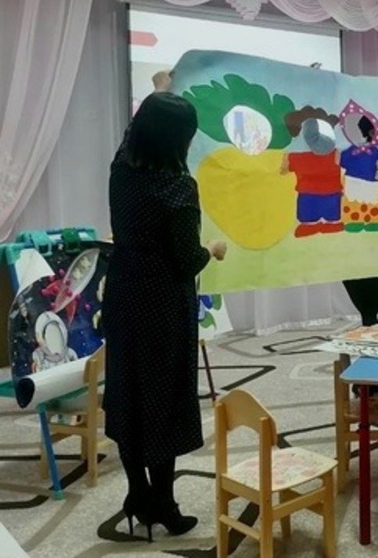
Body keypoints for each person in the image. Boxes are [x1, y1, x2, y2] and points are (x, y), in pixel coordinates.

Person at [102, 92, 227, 540]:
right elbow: (186, 260)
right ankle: (165, 504)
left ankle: (138, 493)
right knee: (163, 400)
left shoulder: (121, 169)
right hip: (162, 306)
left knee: (128, 393)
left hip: (123, 296)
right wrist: (212, 249)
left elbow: (133, 135)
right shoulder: (178, 188)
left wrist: (161, 91)